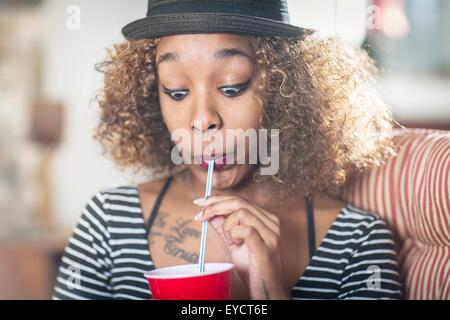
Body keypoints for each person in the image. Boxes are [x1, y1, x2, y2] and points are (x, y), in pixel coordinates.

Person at [53, 0, 403, 300]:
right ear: (151, 94)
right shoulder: (108, 223)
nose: (203, 119)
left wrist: (269, 290)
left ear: (285, 87)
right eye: (176, 91)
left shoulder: (356, 243)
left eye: (232, 87)